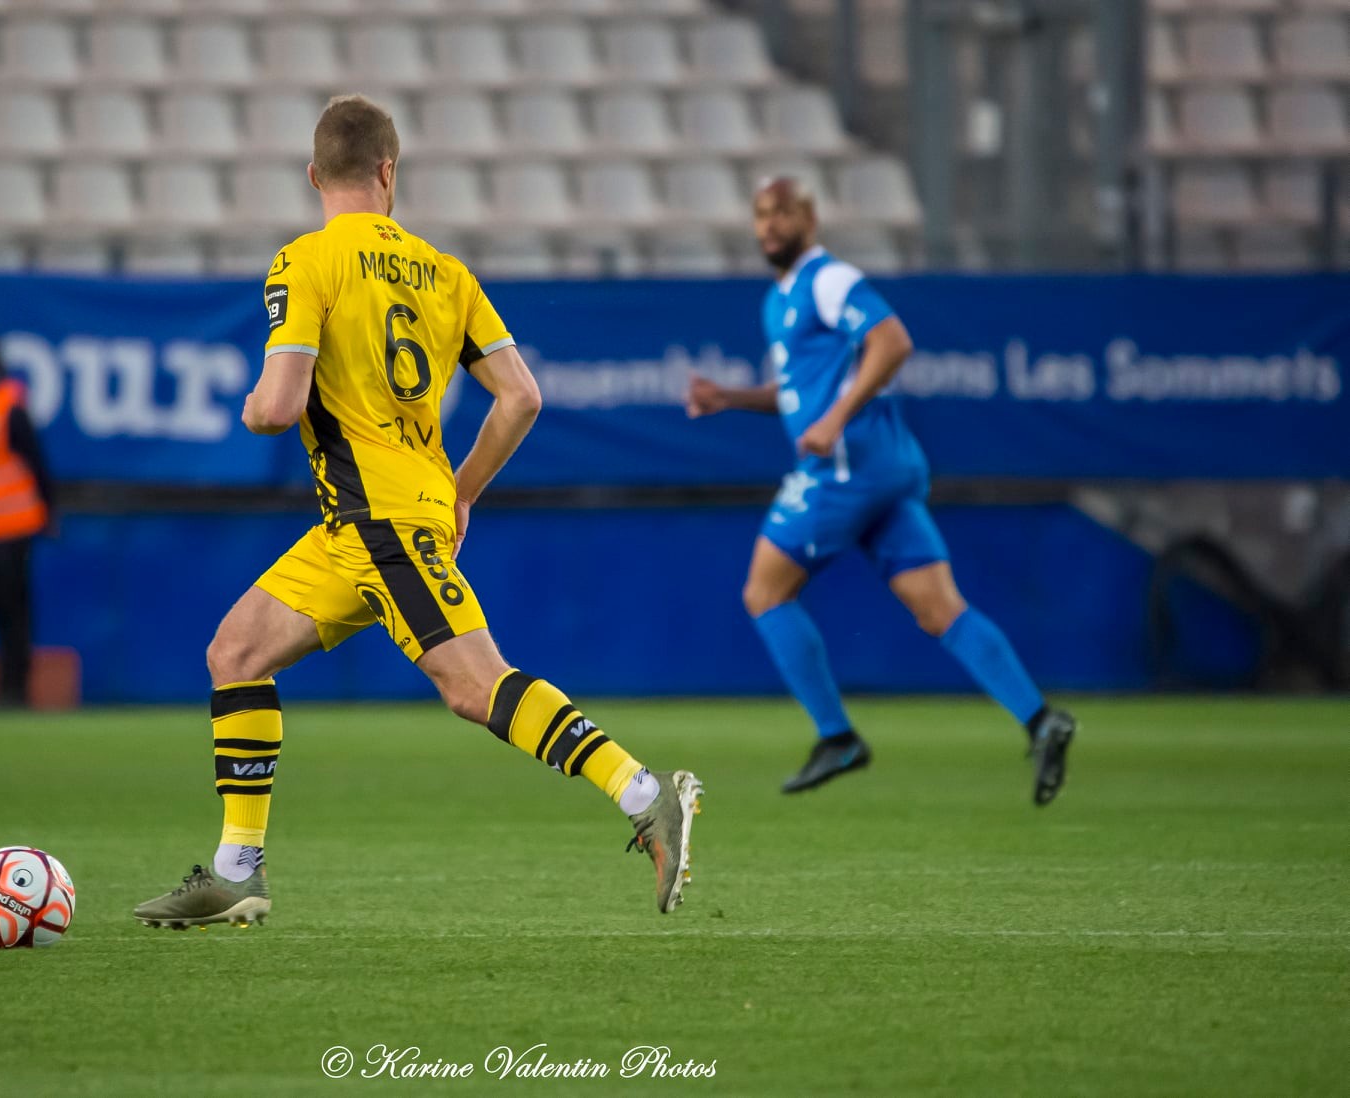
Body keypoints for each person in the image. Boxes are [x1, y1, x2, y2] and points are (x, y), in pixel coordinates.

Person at [133, 95, 701, 929]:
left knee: (476, 688)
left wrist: (254, 403)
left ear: (313, 175)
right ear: (389, 173)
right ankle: (235, 870)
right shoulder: (445, 272)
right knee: (238, 650)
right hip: (361, 526)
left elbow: (278, 407)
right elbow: (521, 398)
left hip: (379, 523)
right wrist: (464, 488)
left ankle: (645, 794)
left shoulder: (305, 261)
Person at [685, 177, 1076, 804]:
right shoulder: (779, 301)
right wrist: (729, 397)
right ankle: (1039, 718)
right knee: (938, 607)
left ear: (810, 216)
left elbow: (892, 341)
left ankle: (836, 735)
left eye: (782, 212)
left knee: (764, 591)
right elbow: (795, 396)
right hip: (885, 471)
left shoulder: (828, 279)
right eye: (761, 215)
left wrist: (836, 418)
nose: (769, 226)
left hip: (846, 468)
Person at [0, 341, 55, 708]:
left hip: (15, 522)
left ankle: (15, 687)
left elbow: (36, 461)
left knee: (14, 608)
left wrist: (49, 510)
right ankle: (7, 684)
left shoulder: (8, 407)